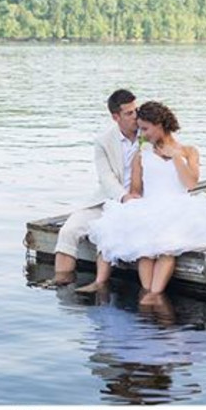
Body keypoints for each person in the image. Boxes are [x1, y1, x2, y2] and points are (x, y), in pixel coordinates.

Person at [81, 101, 206, 303]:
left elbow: (190, 183)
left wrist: (175, 158)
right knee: (144, 249)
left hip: (178, 206)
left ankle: (155, 294)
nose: (143, 135)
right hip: (151, 204)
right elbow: (136, 190)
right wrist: (134, 205)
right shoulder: (141, 154)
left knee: (167, 246)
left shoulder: (188, 151)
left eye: (145, 129)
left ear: (160, 124)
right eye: (140, 129)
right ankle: (148, 293)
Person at [45, 88, 141, 286]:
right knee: (68, 230)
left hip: (141, 201)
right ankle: (61, 281)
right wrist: (123, 197)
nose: (136, 116)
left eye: (136, 110)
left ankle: (100, 285)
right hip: (109, 198)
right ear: (116, 117)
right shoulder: (103, 141)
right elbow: (106, 178)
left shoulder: (148, 133)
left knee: (107, 232)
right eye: (129, 113)